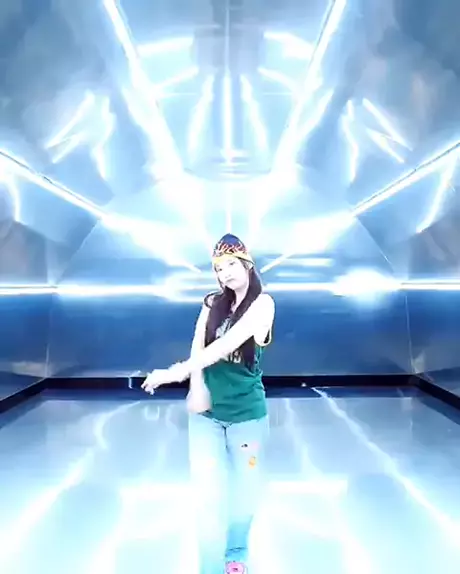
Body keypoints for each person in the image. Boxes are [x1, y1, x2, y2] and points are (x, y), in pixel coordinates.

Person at [142, 233, 275, 574]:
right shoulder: (212, 304)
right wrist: (196, 387)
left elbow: (224, 345)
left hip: (247, 415)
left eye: (231, 264)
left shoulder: (263, 304)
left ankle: (236, 554)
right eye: (218, 268)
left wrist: (173, 373)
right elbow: (199, 346)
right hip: (207, 416)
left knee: (245, 491)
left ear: (247, 264)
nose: (225, 273)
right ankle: (209, 566)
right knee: (207, 495)